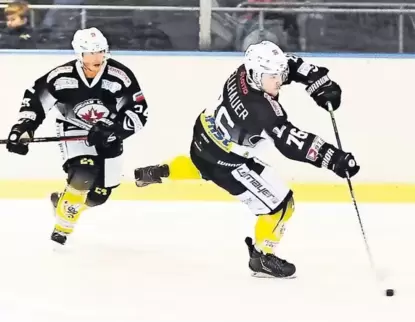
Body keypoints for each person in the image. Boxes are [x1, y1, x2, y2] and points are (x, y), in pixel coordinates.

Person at [134, 41, 359, 278]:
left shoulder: (245, 71)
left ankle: (163, 171)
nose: (279, 80)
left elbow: (288, 64)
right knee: (282, 206)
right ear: (255, 74)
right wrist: (333, 158)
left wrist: (318, 82)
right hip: (228, 162)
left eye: (278, 75)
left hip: (203, 135)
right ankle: (261, 256)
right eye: (272, 77)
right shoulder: (260, 110)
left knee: (202, 165)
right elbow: (292, 143)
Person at [5, 27, 149, 246]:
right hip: (73, 128)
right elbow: (35, 99)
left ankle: (63, 202)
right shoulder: (61, 76)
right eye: (90, 53)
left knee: (98, 196)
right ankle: (61, 231)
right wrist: (24, 127)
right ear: (79, 55)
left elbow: (139, 112)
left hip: (107, 133)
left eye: (100, 51)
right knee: (84, 171)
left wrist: (113, 129)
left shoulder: (120, 76)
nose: (96, 57)